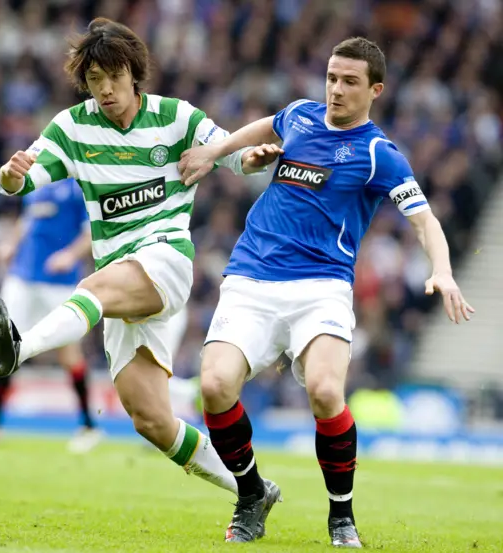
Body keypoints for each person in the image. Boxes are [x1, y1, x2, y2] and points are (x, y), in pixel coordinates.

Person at [0, 18, 282, 540]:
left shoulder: (175, 117)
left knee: (91, 287)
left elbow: (230, 154)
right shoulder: (74, 128)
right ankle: (252, 489)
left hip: (165, 260)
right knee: (151, 420)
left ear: (133, 73)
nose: (105, 90)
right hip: (120, 275)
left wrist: (251, 158)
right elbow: (23, 179)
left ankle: (19, 349)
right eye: (94, 79)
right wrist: (10, 176)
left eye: (113, 77)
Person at [178, 37, 474, 548]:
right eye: (332, 78)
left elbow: (424, 221)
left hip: (320, 286)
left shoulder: (380, 154)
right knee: (215, 386)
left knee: (326, 391)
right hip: (252, 276)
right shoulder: (300, 115)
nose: (336, 90)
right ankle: (252, 495)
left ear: (375, 89)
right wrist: (219, 150)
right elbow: (265, 126)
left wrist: (443, 270)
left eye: (350, 82)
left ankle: (341, 515)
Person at [0, 177, 102, 454]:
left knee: (68, 354)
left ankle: (89, 427)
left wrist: (70, 255)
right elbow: (27, 220)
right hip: (22, 277)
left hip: (59, 281)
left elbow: (92, 232)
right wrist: (11, 245)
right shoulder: (38, 182)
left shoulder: (80, 186)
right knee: (3, 346)